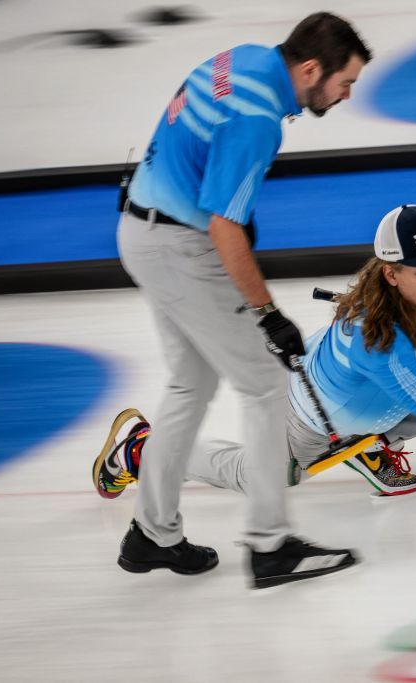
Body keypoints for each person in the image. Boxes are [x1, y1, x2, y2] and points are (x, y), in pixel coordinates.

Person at [95, 204, 416, 518]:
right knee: (263, 477)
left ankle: (378, 441)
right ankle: (139, 450)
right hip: (315, 418)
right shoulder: (378, 341)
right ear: (391, 274)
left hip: (400, 385)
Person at [95, 12, 372, 589]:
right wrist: (269, 315)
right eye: (345, 83)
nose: (346, 95)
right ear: (311, 69)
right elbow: (224, 227)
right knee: (265, 383)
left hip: (142, 229)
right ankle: (271, 546)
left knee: (189, 383)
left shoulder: (242, 59)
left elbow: (205, 171)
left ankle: (152, 533)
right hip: (178, 245)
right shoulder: (257, 120)